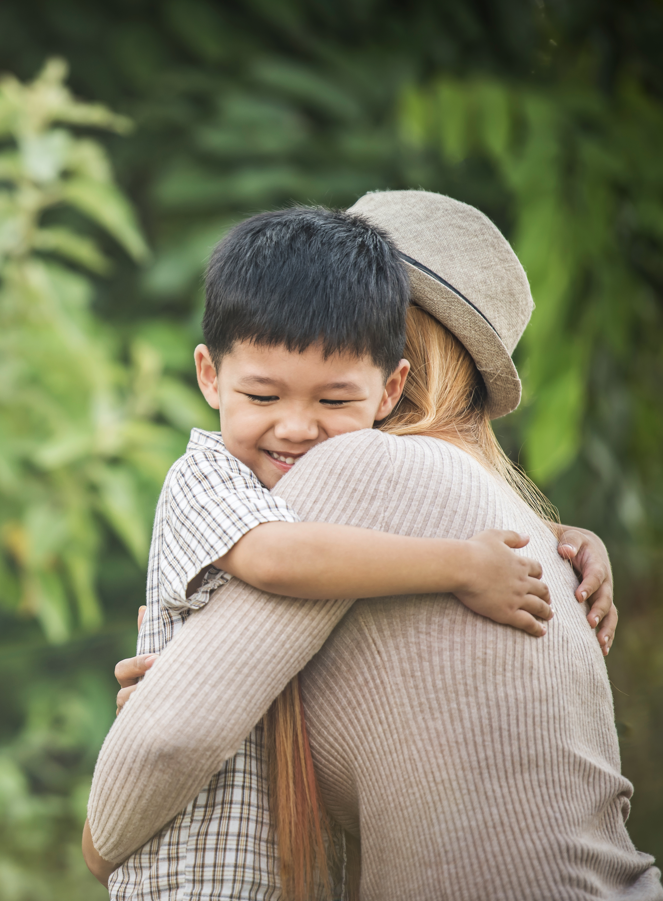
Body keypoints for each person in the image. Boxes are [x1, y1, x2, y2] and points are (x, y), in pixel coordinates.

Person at [84, 191, 660, 900]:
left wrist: (100, 838)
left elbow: (170, 738)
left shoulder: (359, 471)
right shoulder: (518, 525)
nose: (297, 425)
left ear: (395, 364)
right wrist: (194, 669)